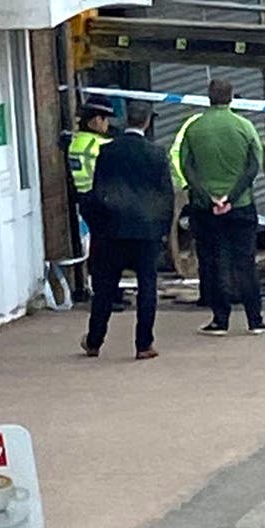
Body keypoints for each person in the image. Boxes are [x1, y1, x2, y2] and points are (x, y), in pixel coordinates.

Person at [80, 101, 174, 361]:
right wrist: (163, 231)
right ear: (146, 122)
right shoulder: (157, 154)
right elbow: (166, 196)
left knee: (105, 289)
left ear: (125, 121)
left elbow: (99, 192)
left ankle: (94, 341)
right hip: (146, 232)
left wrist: (100, 227)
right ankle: (144, 344)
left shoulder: (108, 151)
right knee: (147, 287)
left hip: (112, 231)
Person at [180, 79, 265, 337]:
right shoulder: (245, 127)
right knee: (245, 262)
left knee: (215, 262)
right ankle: (255, 319)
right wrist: (232, 196)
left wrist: (209, 197)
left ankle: (220, 320)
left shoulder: (194, 129)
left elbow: (186, 166)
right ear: (231, 97)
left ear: (208, 96)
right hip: (240, 206)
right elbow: (254, 165)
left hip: (205, 209)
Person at [67, 97, 126, 312]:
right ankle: (109, 296)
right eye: (104, 119)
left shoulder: (77, 141)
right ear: (94, 121)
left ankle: (108, 293)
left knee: (100, 251)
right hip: (103, 202)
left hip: (86, 200)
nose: (107, 124)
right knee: (109, 254)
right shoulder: (101, 144)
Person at [169, 111, 210, 308]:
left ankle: (194, 268)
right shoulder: (199, 125)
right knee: (190, 231)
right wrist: (187, 184)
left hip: (193, 185)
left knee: (197, 232)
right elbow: (179, 155)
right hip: (188, 186)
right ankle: (185, 268)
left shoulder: (198, 123)